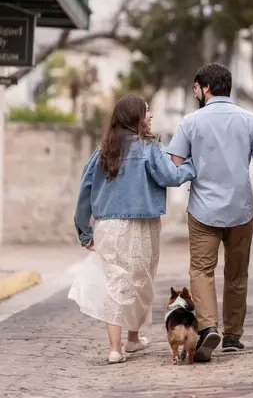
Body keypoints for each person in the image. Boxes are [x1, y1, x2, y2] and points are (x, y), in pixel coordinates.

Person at [68, 94, 196, 364]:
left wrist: (84, 230)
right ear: (135, 117)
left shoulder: (103, 149)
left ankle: (119, 348)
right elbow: (170, 176)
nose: (150, 115)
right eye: (147, 111)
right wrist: (191, 166)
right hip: (143, 224)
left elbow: (85, 191)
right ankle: (132, 338)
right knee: (141, 282)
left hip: (108, 226)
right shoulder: (149, 147)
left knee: (115, 284)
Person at [168, 63, 253, 363]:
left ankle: (208, 327)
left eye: (196, 88)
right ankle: (231, 336)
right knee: (237, 273)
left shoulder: (190, 122)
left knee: (201, 270)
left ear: (205, 88)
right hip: (241, 208)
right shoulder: (251, 120)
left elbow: (175, 163)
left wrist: (195, 169)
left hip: (203, 210)